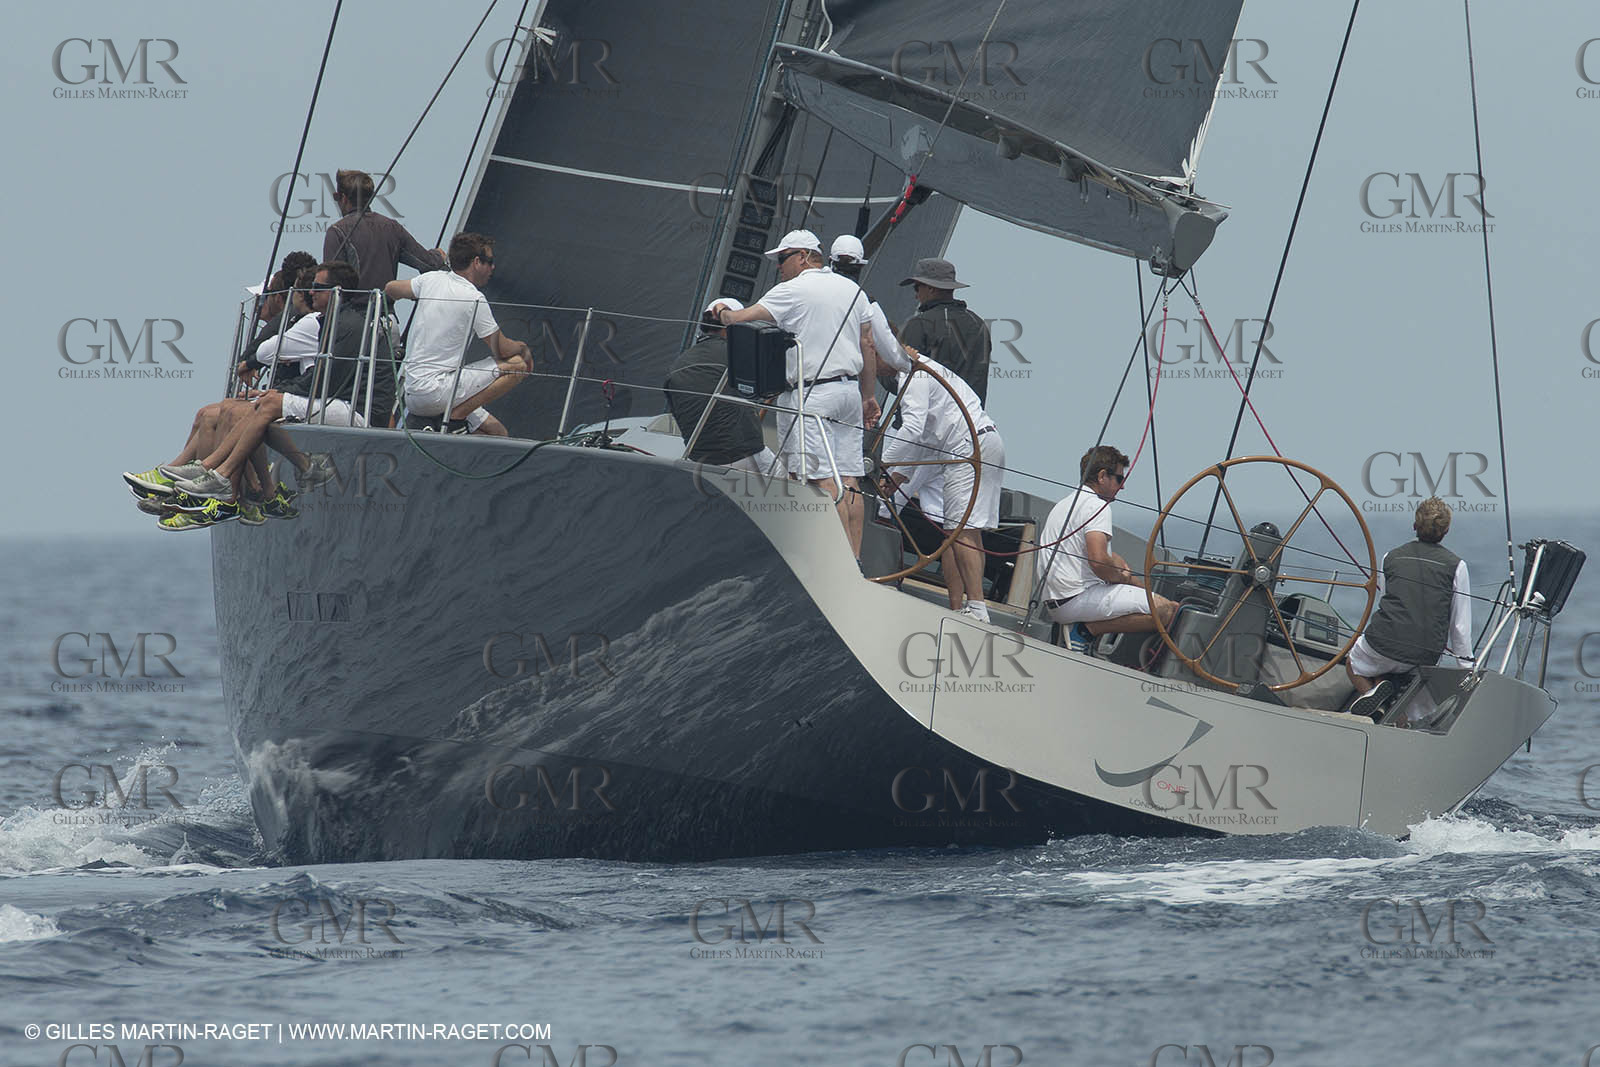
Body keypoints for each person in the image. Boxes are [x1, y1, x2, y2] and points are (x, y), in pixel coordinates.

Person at [713, 229, 878, 559]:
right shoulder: (853, 290)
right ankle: (854, 561)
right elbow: (868, 344)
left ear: (803, 256)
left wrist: (720, 311)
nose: (778, 266)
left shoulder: (792, 290)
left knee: (819, 482)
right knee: (848, 481)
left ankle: (836, 565)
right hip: (848, 394)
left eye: (782, 258)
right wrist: (868, 397)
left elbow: (738, 319)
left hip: (813, 395)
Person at [877, 355, 1005, 621]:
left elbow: (912, 428)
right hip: (985, 441)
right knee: (966, 531)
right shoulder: (926, 368)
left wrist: (881, 464)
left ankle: (978, 610)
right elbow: (924, 436)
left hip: (968, 447)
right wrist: (899, 474)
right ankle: (968, 608)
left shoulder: (914, 374)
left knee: (959, 531)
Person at [385, 232, 531, 436]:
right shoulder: (474, 298)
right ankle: (458, 417)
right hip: (437, 391)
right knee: (518, 365)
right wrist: (524, 349)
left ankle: (458, 441)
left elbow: (391, 288)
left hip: (413, 393)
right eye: (490, 262)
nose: (493, 268)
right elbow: (502, 350)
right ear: (477, 262)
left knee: (498, 433)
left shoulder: (431, 280)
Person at [1344, 496, 1474, 720]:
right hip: (1425, 654)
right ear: (1446, 531)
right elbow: (1460, 627)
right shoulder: (1457, 566)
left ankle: (1377, 701)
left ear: (1415, 525)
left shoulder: (1390, 558)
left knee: (1353, 663)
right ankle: (1387, 705)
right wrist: (1467, 671)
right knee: (1395, 671)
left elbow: (1387, 602)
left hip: (1383, 644)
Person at [1038, 445, 1178, 649]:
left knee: (1129, 576)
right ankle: (1084, 632)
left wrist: (1125, 575)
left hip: (1057, 601)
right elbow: (1098, 562)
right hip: (1074, 600)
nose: (1122, 487)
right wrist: (1120, 576)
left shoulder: (1066, 503)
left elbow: (1101, 557)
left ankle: (1082, 629)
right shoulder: (1097, 506)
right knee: (1164, 611)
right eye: (1119, 479)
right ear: (1103, 476)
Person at [663, 299, 783, 475]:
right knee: (793, 483)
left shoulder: (678, 364)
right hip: (746, 454)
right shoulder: (738, 354)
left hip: (699, 461)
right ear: (734, 326)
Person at [323, 169, 447, 294]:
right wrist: (438, 256)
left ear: (343, 198)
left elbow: (328, 283)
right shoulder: (392, 227)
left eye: (336, 197)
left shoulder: (337, 232)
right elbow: (428, 264)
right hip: (384, 311)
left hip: (348, 311)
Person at [899, 257, 992, 402]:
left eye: (916, 287)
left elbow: (902, 381)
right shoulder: (978, 323)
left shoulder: (920, 324)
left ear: (930, 288)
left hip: (927, 421)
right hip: (970, 420)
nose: (916, 295)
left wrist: (877, 358)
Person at [829, 234, 912, 375]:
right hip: (844, 385)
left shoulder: (806, 290)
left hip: (802, 386)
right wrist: (910, 366)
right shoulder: (864, 301)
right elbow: (890, 350)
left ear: (830, 261)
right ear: (860, 266)